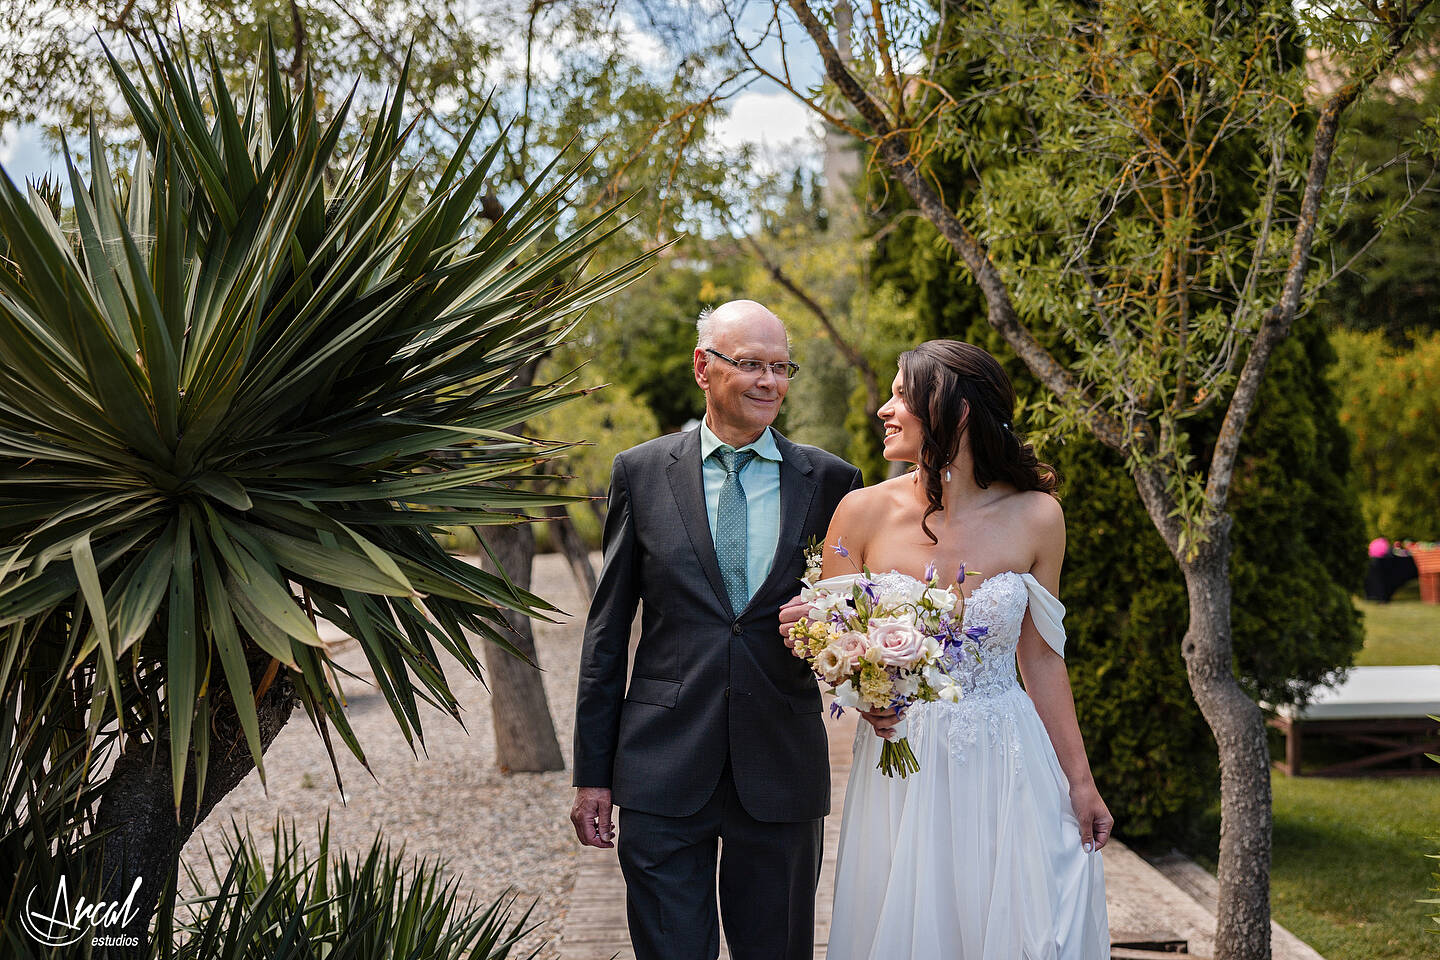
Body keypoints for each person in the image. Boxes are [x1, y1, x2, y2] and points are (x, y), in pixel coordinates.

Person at [781, 339, 1111, 959]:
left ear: (956, 413)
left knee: (1023, 927)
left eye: (902, 395)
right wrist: (859, 696)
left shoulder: (1038, 516)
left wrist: (1082, 782)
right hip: (903, 759)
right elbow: (830, 640)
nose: (885, 408)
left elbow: (1041, 659)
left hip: (1008, 754)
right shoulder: (861, 512)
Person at [571, 300, 863, 960]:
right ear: (704, 367)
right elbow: (607, 632)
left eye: (782, 367)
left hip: (781, 766)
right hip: (661, 764)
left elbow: (853, 612)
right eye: (752, 364)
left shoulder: (833, 482)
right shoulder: (640, 472)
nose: (770, 382)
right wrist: (593, 774)